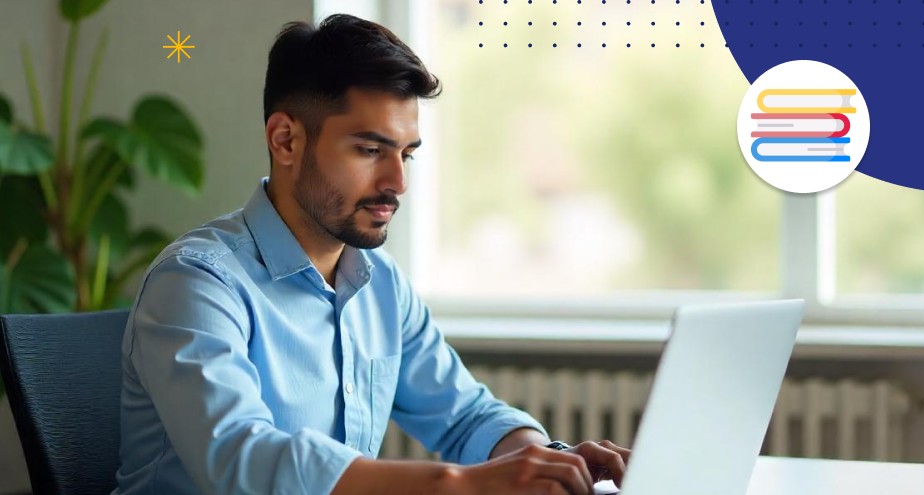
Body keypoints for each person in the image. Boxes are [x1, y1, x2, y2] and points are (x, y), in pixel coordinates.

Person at [113, 13, 630, 495]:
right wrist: (460, 485)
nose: (397, 183)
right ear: (286, 140)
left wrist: (551, 462)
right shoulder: (195, 282)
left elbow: (465, 416)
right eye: (369, 150)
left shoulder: (380, 285)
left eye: (405, 154)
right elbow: (239, 457)